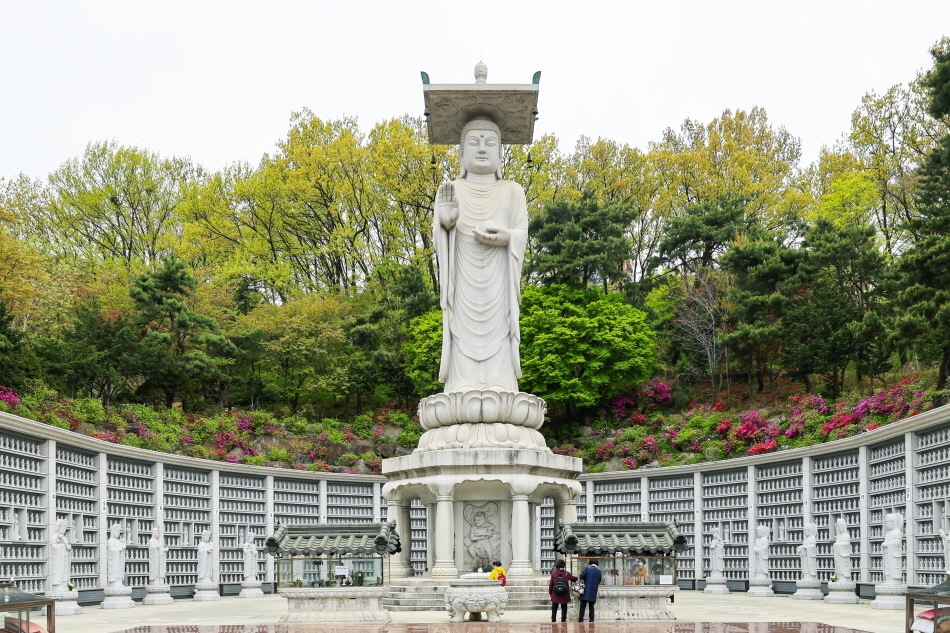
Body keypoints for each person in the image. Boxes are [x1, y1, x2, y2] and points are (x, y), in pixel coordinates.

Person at [434, 116, 529, 394]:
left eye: (491, 143)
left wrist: (508, 237)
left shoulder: (513, 191)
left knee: (499, 329)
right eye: (474, 143)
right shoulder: (451, 189)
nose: (482, 149)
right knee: (461, 329)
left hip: (498, 282)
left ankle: (500, 382)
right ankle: (462, 384)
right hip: (463, 282)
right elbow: (440, 240)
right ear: (462, 153)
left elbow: (521, 232)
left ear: (500, 152)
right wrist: (446, 224)